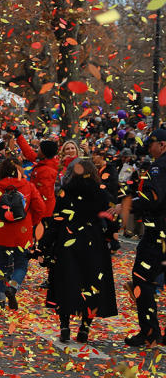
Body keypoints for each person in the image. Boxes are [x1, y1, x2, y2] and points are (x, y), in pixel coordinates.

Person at [42, 158, 117, 343]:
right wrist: (110, 236)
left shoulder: (66, 191)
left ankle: (65, 325)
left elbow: (56, 219)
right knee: (91, 283)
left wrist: (45, 244)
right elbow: (111, 219)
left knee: (67, 282)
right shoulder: (100, 192)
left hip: (68, 241)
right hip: (94, 242)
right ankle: (84, 327)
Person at [0, 157, 44, 309]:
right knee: (21, 265)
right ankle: (13, 287)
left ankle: (0, 298)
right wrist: (32, 223)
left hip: (2, 233)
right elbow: (40, 209)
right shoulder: (28, 186)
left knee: (1, 265)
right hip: (22, 233)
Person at [124, 128, 166, 346]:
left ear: (163, 145)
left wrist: (129, 204)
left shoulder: (160, 167)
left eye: (152, 144)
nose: (149, 148)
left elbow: (154, 198)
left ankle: (149, 331)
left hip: (158, 234)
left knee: (141, 278)